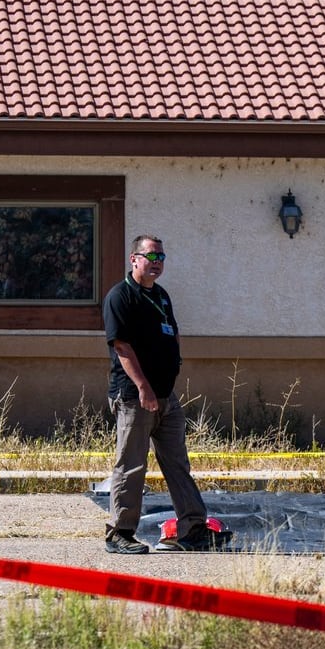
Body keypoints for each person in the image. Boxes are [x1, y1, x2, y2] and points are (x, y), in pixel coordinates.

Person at [102, 235, 223, 553]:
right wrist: (143, 387)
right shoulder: (120, 297)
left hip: (166, 396)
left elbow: (173, 330)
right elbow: (122, 346)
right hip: (135, 396)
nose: (157, 263)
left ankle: (192, 529)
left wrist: (174, 362)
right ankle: (120, 533)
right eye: (151, 257)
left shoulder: (161, 295)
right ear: (134, 259)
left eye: (161, 258)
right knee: (131, 465)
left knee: (177, 463)